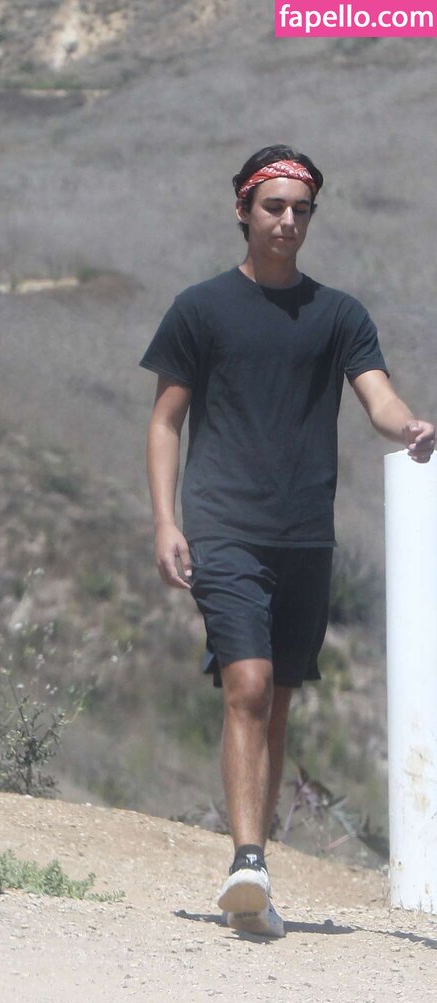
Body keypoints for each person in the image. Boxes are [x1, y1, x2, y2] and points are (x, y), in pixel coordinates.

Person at [140, 145, 435, 938]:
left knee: (278, 703)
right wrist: (166, 520)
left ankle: (254, 875)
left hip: (306, 535)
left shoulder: (339, 315)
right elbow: (166, 421)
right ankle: (247, 857)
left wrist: (407, 425)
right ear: (243, 210)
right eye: (273, 207)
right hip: (223, 525)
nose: (287, 221)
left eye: (301, 209)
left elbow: (377, 396)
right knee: (248, 684)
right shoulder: (200, 309)